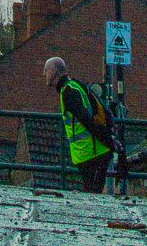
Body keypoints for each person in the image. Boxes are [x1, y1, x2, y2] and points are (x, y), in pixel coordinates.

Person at [42, 54, 112, 192]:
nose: (43, 73)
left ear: (54, 72)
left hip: (91, 152)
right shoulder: (75, 85)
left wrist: (108, 141)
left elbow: (86, 120)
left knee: (91, 195)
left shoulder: (68, 92)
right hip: (96, 150)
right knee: (92, 193)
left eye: (46, 70)